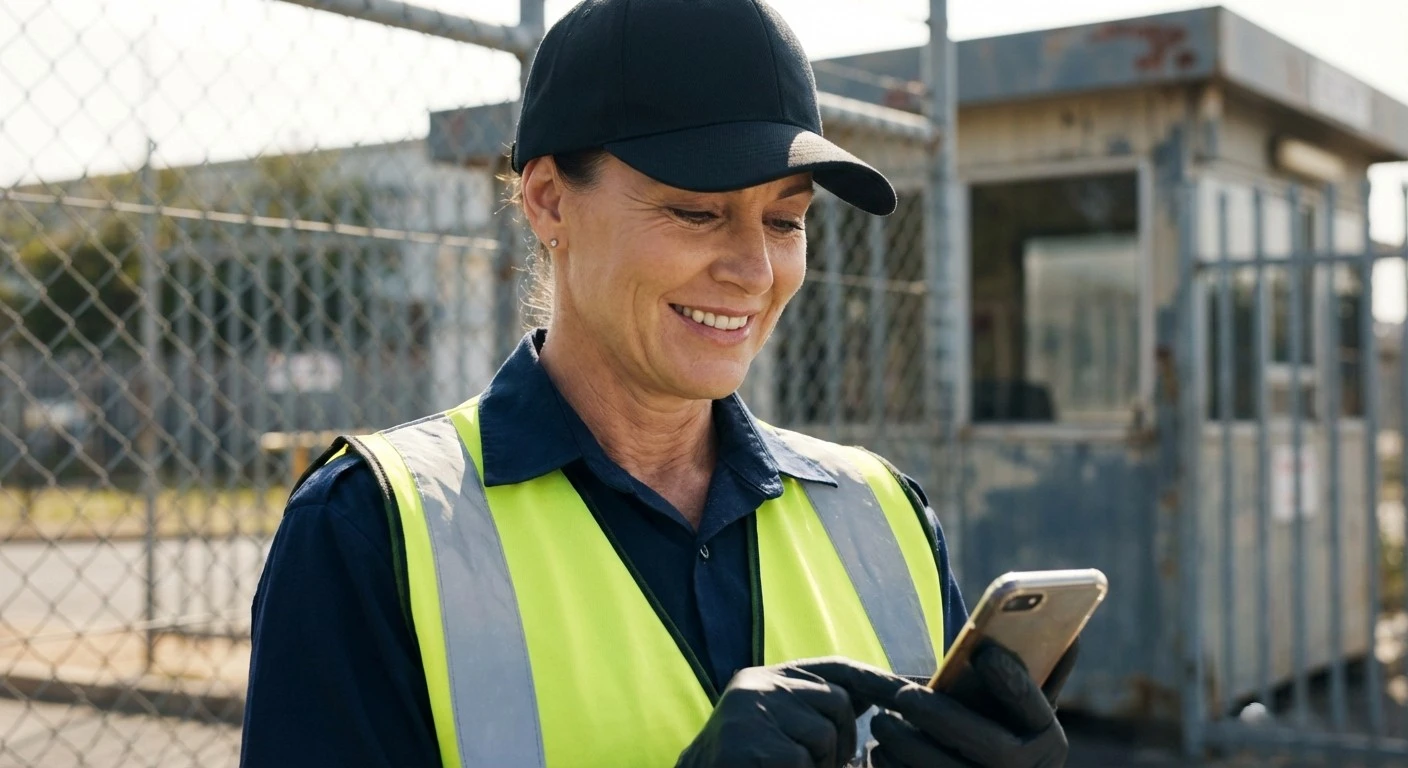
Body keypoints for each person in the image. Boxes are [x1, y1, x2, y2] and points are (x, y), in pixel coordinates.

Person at [240, 1, 1079, 766]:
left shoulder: (885, 512)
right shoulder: (370, 531)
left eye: (787, 220)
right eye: (696, 212)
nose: (755, 270)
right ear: (548, 202)